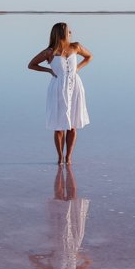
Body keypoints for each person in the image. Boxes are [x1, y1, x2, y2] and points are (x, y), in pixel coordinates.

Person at [28, 22, 92, 165]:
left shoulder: (76, 47)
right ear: (61, 33)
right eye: (68, 30)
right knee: (59, 126)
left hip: (75, 86)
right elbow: (31, 65)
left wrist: (77, 69)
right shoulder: (50, 52)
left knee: (73, 125)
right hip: (58, 89)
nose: (71, 32)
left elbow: (89, 57)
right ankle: (59, 157)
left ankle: (68, 157)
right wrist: (49, 70)